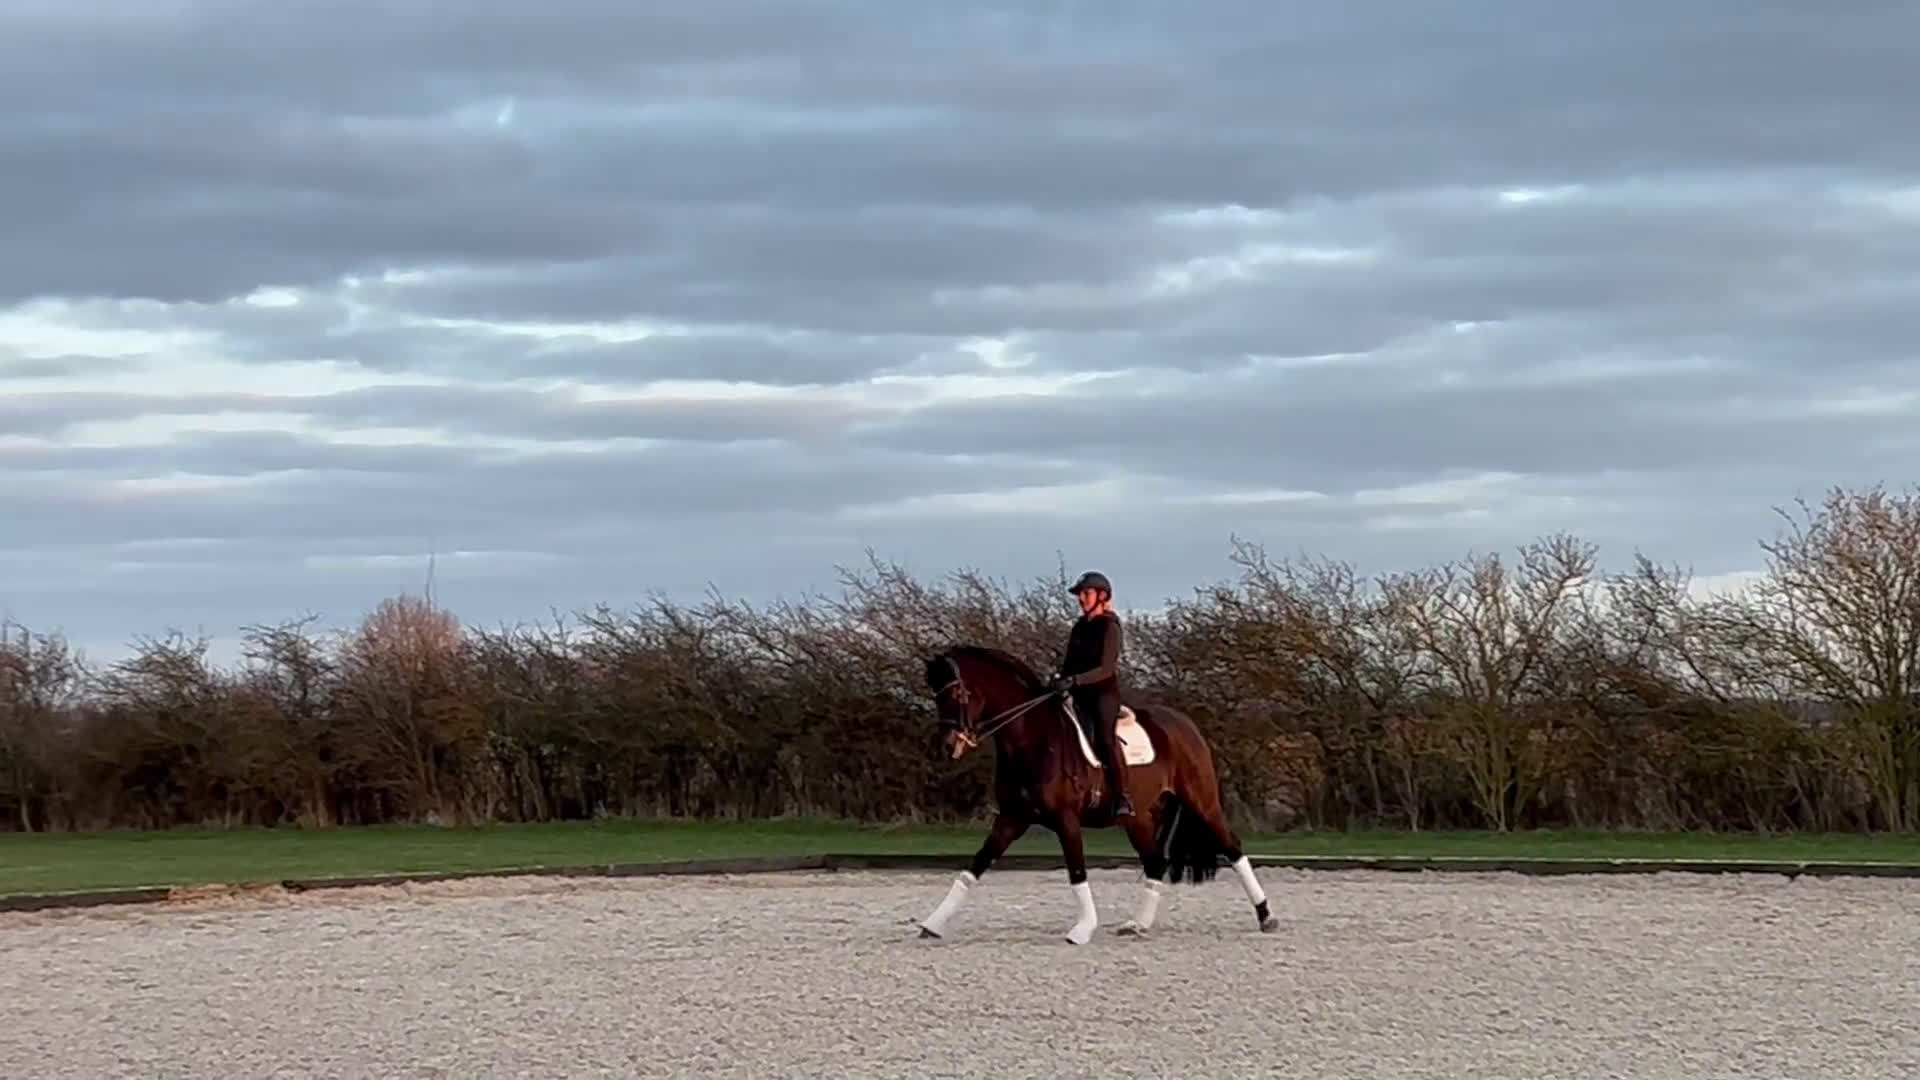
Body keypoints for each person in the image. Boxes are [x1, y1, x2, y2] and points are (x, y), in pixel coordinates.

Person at [1047, 570, 1132, 818]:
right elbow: (1070, 662)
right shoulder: (1079, 627)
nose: (1081, 599)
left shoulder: (1110, 627)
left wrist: (1075, 680)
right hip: (1077, 694)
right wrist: (1060, 681)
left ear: (1102, 596)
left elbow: (1106, 669)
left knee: (1105, 739)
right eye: (1080, 594)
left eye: (1086, 593)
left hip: (1102, 695)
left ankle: (1122, 795)